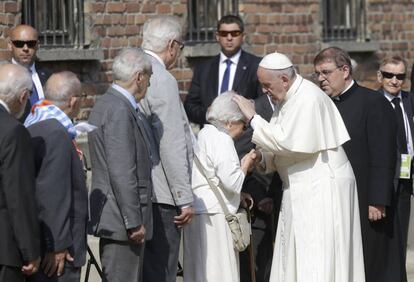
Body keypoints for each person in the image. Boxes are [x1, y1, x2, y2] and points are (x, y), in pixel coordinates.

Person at [233, 52, 365, 282]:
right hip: (301, 186)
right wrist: (262, 159)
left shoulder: (308, 98)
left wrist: (253, 117)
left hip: (322, 187)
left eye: (267, 85)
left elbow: (288, 143)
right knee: (296, 254)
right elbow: (283, 145)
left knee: (317, 255)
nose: (265, 91)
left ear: (284, 79)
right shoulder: (285, 99)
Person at [314, 47, 406, 282]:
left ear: (345, 70)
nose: (321, 79)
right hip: (339, 200)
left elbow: (384, 153)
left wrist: (378, 199)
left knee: (374, 263)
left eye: (326, 72)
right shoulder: (325, 105)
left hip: (370, 202)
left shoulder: (373, 102)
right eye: (317, 74)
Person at [88, 48, 153, 282]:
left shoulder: (109, 103)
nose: (149, 83)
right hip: (122, 223)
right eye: (150, 77)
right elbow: (122, 171)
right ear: (139, 77)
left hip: (118, 219)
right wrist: (134, 221)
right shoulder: (118, 109)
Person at [139, 16, 195, 282]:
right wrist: (184, 196)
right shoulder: (161, 78)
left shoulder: (131, 70)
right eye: (180, 47)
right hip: (162, 194)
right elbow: (171, 141)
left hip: (140, 190)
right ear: (172, 45)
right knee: (162, 270)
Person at [183, 91, 256, 282]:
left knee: (200, 270)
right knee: (220, 272)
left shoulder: (205, 132)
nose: (243, 131)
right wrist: (246, 164)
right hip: (215, 217)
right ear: (231, 122)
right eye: (244, 124)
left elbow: (213, 176)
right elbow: (233, 182)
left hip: (200, 211)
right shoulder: (222, 139)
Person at [23, 71, 88, 282]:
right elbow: (52, 193)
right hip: (59, 250)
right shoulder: (56, 132)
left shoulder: (35, 121)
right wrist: (57, 245)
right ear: (74, 101)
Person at [184, 14, 262, 128]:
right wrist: (208, 114)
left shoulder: (255, 66)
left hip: (244, 137)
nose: (229, 38)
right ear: (217, 36)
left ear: (243, 36)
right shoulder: (203, 68)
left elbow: (263, 103)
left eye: (235, 33)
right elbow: (190, 106)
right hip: (211, 135)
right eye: (224, 33)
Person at [0, 63, 40, 281]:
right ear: (23, 96)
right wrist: (30, 250)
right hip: (5, 250)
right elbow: (18, 196)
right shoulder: (13, 131)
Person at [238, 94, 283, 282]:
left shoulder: (297, 107)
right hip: (264, 210)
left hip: (291, 205)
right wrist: (259, 196)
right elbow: (243, 161)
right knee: (261, 271)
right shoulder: (256, 110)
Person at [377, 56, 414, 261]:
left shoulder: (409, 100)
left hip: (406, 176)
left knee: (401, 234)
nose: (394, 80)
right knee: (384, 236)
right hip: (384, 177)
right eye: (389, 75)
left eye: (400, 76)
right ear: (379, 76)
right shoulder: (374, 102)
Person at [8, 24, 51, 121]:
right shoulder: (3, 78)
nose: (25, 48)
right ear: (10, 46)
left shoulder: (48, 76)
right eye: (19, 44)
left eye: (31, 43)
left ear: (37, 45)